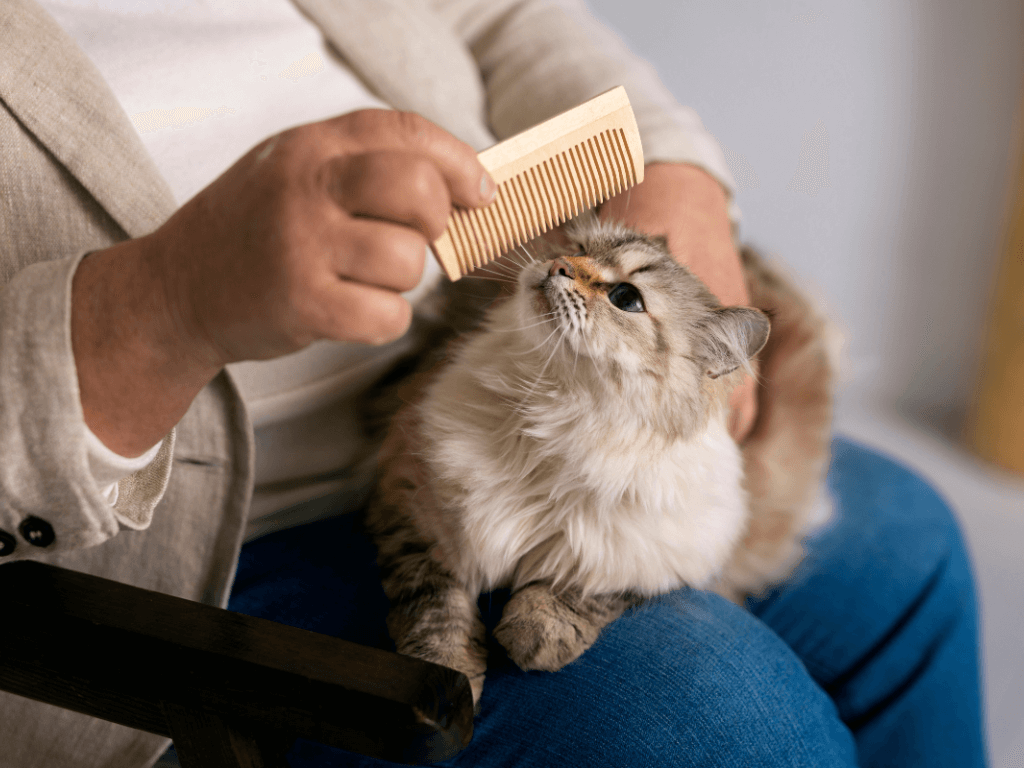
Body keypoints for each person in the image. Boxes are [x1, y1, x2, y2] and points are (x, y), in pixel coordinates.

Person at [0, 1, 986, 766]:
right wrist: (163, 306)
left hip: (504, 371)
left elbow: (497, 13)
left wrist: (670, 165)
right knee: (729, 728)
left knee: (910, 546)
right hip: (182, 552)